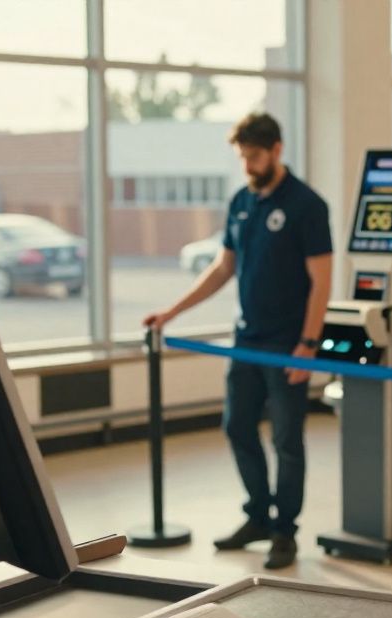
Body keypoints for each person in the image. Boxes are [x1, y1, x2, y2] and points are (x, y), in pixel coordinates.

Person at [144, 112, 333, 570]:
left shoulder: (307, 205)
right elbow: (223, 268)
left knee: (288, 440)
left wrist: (308, 344)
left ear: (276, 150)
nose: (248, 165)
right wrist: (172, 311)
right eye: (243, 157)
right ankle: (258, 516)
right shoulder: (241, 203)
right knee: (236, 427)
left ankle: (284, 531)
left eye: (254, 156)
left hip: (288, 344)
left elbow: (321, 279)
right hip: (245, 341)